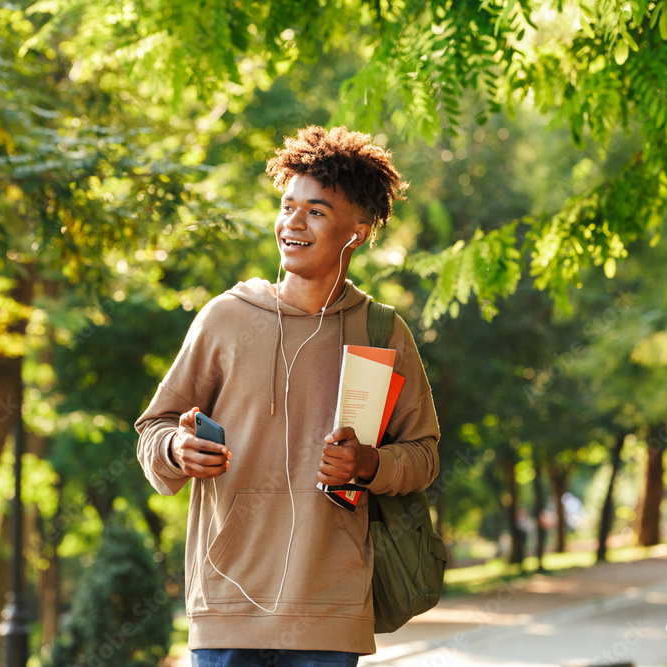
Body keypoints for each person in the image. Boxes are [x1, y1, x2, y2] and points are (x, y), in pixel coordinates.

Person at [135, 125, 440, 666]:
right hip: (227, 604)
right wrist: (176, 451)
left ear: (358, 232)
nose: (292, 223)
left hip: (330, 613)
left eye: (316, 211)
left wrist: (368, 464)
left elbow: (423, 457)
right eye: (286, 206)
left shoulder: (383, 332)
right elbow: (153, 427)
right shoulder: (225, 318)